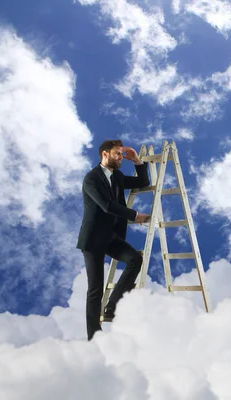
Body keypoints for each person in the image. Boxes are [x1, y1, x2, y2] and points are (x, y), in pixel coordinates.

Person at [76, 139, 151, 341]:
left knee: (135, 259)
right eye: (117, 154)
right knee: (95, 290)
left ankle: (112, 306)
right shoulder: (91, 179)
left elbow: (142, 182)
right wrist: (135, 215)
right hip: (92, 240)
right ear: (105, 154)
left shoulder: (116, 176)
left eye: (121, 154)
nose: (120, 158)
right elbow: (107, 206)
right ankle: (93, 336)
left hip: (111, 237)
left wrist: (137, 161)